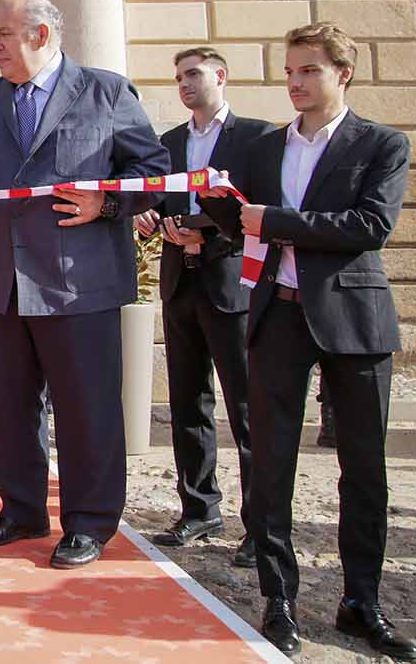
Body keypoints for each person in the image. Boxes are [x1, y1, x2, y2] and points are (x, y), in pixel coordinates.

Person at [200, 23, 416, 660]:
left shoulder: (381, 142)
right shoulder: (264, 148)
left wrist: (277, 222)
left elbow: (370, 225)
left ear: (342, 73)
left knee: (364, 469)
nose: (295, 83)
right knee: (270, 465)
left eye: (309, 71)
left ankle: (362, 603)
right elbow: (237, 217)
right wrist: (212, 205)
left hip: (355, 320)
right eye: (290, 71)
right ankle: (280, 599)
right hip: (276, 317)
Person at [0, 0, 169, 569]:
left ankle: (90, 523)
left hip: (78, 281)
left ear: (40, 35)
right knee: (8, 408)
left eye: (2, 36)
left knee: (87, 407)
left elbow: (156, 172)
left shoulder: (106, 91)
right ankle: (20, 509)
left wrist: (106, 202)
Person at [135, 47, 271, 567]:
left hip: (230, 283)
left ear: (220, 76)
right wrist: (149, 217)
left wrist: (205, 230)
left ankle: (261, 525)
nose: (184, 84)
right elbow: (158, 197)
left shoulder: (256, 138)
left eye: (193, 74)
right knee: (190, 403)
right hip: (180, 284)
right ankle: (199, 509)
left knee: (247, 407)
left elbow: (255, 209)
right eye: (178, 77)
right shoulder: (168, 143)